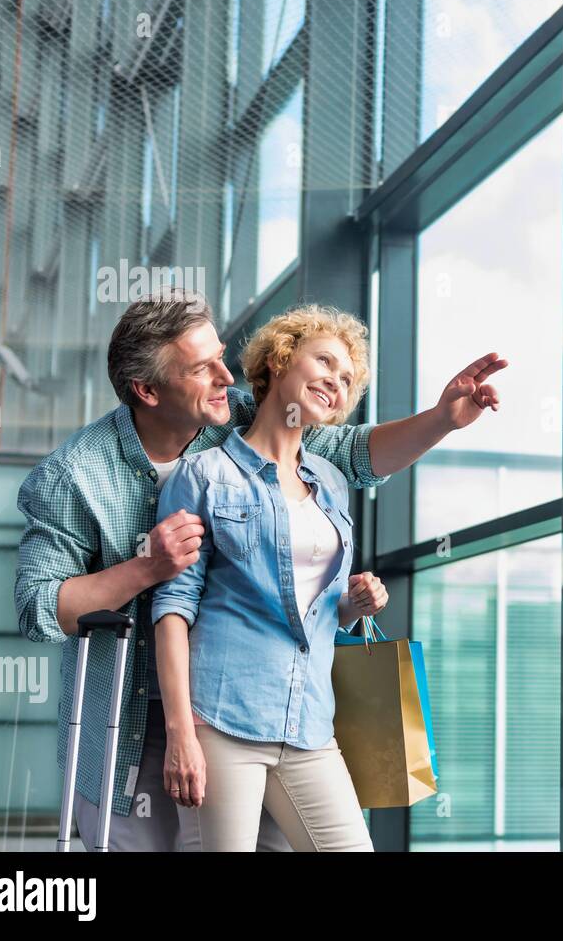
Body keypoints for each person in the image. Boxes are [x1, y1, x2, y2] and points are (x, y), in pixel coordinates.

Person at [14, 289, 507, 850]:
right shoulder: (74, 476)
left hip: (254, 703)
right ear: (147, 390)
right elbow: (38, 608)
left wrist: (441, 420)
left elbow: (353, 455)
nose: (227, 377)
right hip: (130, 717)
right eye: (202, 368)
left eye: (222, 356)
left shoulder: (238, 416)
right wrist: (146, 568)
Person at [152, 305, 388, 850]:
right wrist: (181, 733)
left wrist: (355, 603)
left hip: (309, 723)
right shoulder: (203, 475)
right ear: (279, 361)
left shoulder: (330, 482)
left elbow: (319, 610)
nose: (336, 379)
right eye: (324, 361)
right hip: (222, 720)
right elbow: (172, 608)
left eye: (347, 378)